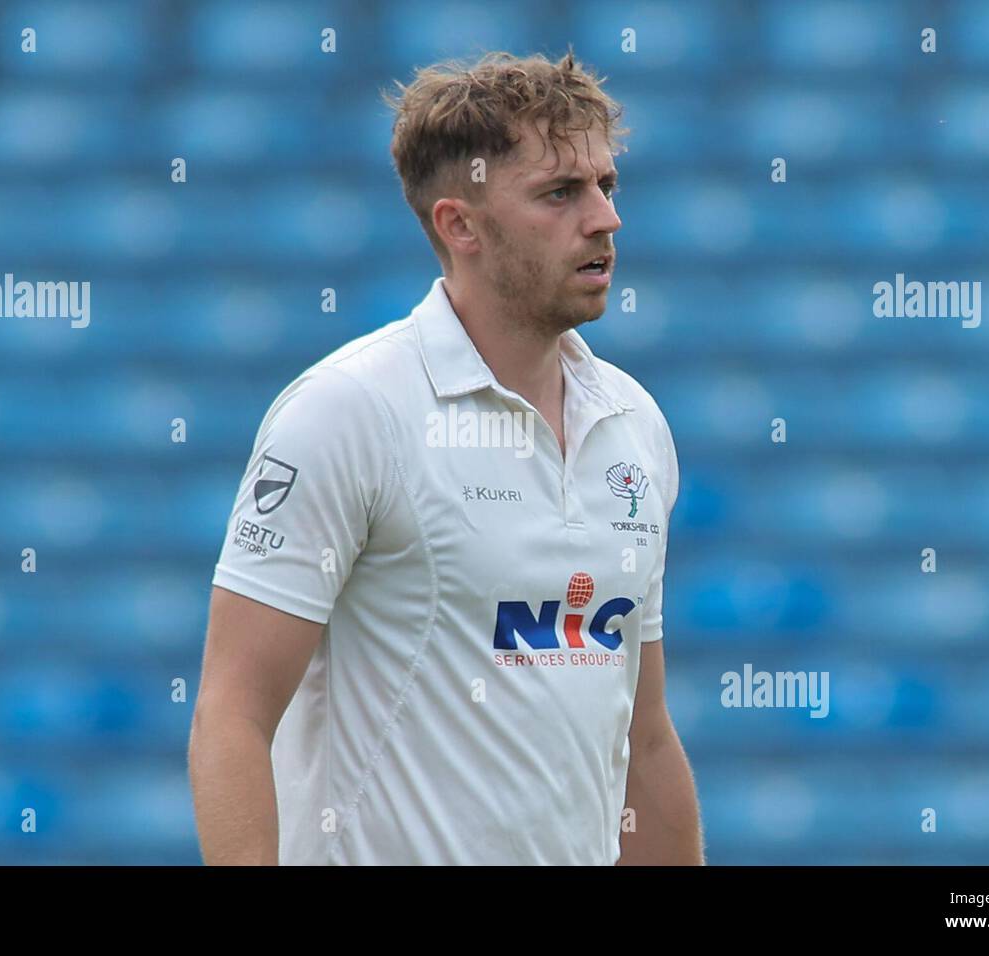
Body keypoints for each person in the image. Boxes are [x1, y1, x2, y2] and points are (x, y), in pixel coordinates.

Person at [189, 49, 704, 865]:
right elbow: (232, 712)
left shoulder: (634, 424)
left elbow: (643, 741)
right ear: (459, 224)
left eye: (607, 186)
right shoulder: (348, 411)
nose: (605, 218)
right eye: (560, 193)